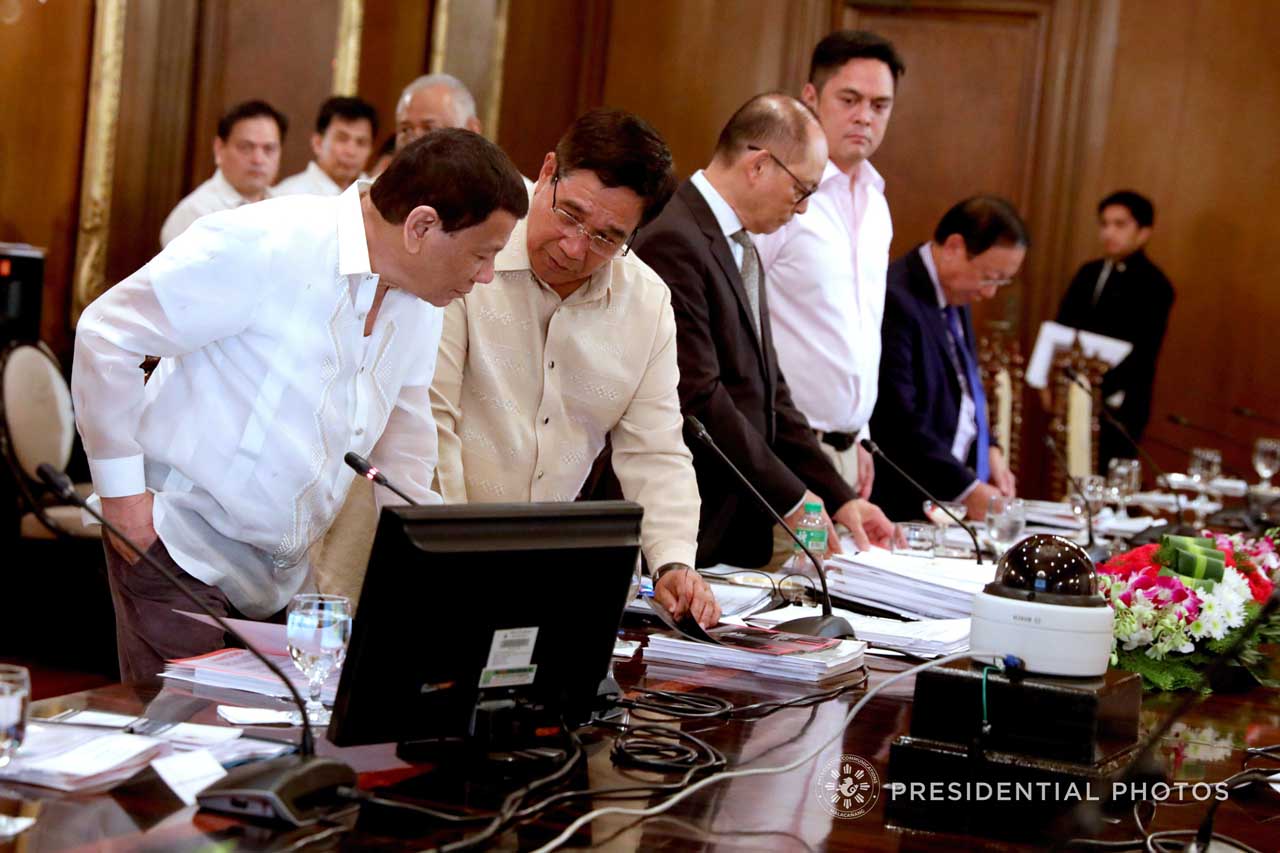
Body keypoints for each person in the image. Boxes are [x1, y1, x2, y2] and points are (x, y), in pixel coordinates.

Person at [72, 130, 528, 682]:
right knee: (190, 745)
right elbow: (106, 335)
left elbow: (404, 439)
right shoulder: (264, 242)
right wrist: (123, 505)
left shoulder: (422, 298)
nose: (484, 277)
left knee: (281, 744)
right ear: (422, 226)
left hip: (285, 573)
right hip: (175, 542)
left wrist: (433, 564)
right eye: (483, 255)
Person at [429, 109, 720, 627]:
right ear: (546, 173)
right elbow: (432, 426)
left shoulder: (647, 304)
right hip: (428, 564)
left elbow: (655, 450)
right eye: (569, 214)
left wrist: (673, 561)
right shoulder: (470, 253)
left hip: (538, 586)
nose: (575, 247)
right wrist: (452, 558)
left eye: (608, 238)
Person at [632, 93, 895, 571]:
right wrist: (792, 498)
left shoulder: (742, 245)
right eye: (801, 191)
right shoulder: (676, 237)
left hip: (737, 521)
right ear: (758, 166)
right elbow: (699, 395)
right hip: (691, 518)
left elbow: (773, 394)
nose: (802, 210)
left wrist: (838, 498)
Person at [755, 30, 904, 501]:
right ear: (811, 97)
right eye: (850, 99)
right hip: (780, 447)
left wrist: (858, 433)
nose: (865, 116)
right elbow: (738, 312)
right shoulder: (780, 188)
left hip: (849, 452)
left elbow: (859, 331)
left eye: (880, 105)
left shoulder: (877, 204)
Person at [870, 196, 1027, 522]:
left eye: (1001, 281)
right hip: (905, 502)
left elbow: (963, 388)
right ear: (955, 247)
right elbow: (897, 419)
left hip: (946, 496)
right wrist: (966, 489)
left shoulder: (953, 293)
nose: (989, 293)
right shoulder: (897, 297)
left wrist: (991, 447)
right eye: (989, 276)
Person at [1056, 190, 1174, 467]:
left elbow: (1143, 352)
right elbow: (1062, 328)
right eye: (1104, 224)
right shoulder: (1089, 272)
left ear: (1144, 232)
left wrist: (1095, 389)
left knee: (1108, 476)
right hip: (1072, 392)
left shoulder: (1155, 285)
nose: (1109, 232)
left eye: (1120, 225)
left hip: (1119, 403)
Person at [160, 100, 287, 247]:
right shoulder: (194, 213)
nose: (258, 159)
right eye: (246, 147)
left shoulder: (285, 207)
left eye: (269, 149)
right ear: (219, 148)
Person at [395, 73, 535, 192]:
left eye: (430, 128)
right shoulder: (380, 196)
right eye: (405, 129)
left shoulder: (511, 198)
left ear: (472, 130)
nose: (414, 140)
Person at [274, 96, 378, 196]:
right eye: (342, 139)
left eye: (361, 142)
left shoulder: (377, 196)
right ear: (317, 143)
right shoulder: (287, 195)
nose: (351, 151)